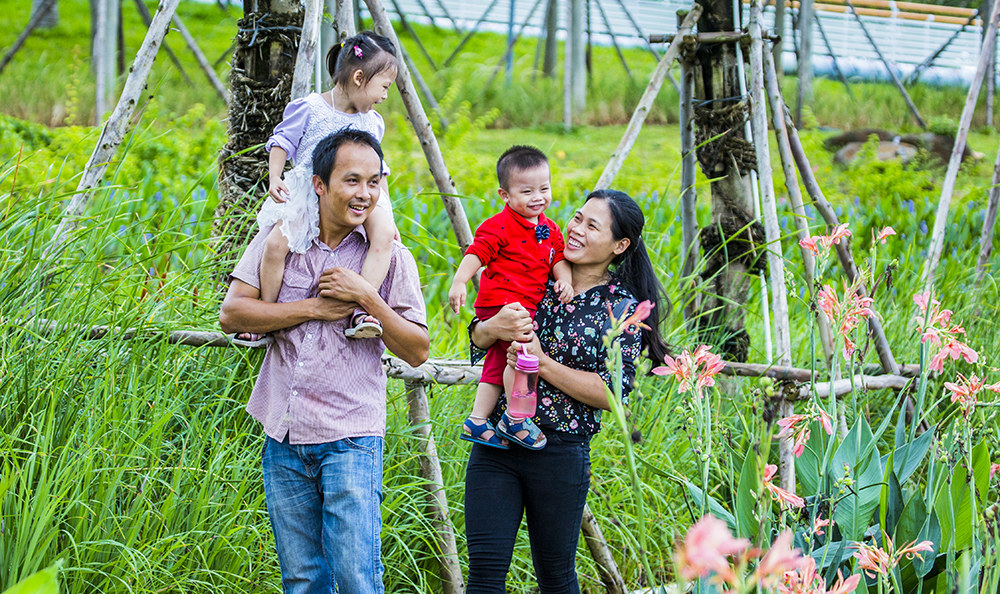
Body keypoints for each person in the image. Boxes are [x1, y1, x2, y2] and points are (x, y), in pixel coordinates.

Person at [219, 128, 429, 594]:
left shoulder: (390, 257)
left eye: (374, 182)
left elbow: (417, 348)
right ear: (319, 184)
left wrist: (366, 298)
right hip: (284, 432)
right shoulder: (283, 238)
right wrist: (314, 308)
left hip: (351, 437)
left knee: (357, 578)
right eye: (352, 181)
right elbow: (233, 313)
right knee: (302, 579)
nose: (365, 194)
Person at [463, 189, 670, 593]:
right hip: (497, 443)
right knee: (485, 574)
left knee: (555, 578)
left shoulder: (621, 307)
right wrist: (492, 328)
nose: (575, 229)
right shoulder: (536, 271)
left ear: (619, 245)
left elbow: (613, 393)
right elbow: (480, 336)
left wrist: (542, 364)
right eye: (577, 218)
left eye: (592, 226)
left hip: (559, 452)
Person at [258, 31, 399, 340]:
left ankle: (362, 308)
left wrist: (386, 212)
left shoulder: (372, 121)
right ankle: (265, 315)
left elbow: (379, 171)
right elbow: (282, 142)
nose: (385, 96)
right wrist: (275, 177)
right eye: (384, 87)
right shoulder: (310, 108)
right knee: (275, 245)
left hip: (358, 195)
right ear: (360, 77)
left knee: (385, 236)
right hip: (311, 192)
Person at [448, 146, 574, 451]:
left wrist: (565, 280)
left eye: (544, 188)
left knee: (497, 361)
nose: (538, 197)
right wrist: (460, 281)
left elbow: (557, 258)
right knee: (522, 357)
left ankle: (477, 420)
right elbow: (476, 253)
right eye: (526, 191)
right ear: (505, 195)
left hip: (523, 305)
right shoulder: (498, 227)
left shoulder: (549, 228)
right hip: (504, 302)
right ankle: (515, 418)